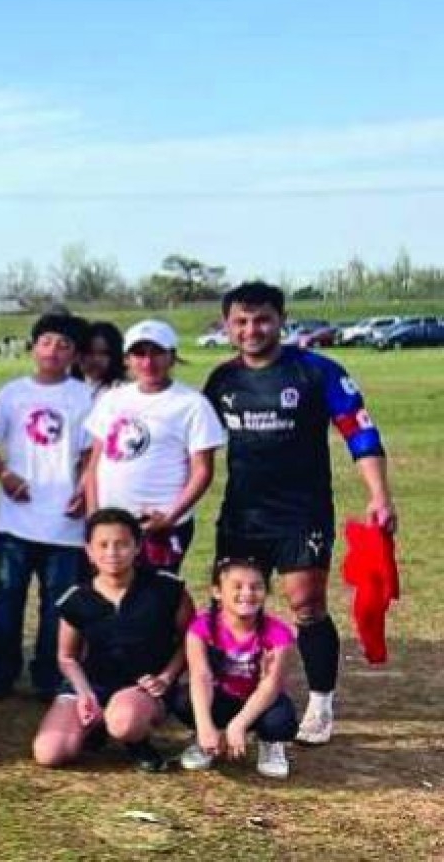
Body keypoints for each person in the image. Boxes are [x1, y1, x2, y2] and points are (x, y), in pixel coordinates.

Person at [205, 280, 395, 745]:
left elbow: (360, 433)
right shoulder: (221, 380)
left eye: (262, 319)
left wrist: (379, 494)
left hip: (301, 513)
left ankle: (321, 703)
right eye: (241, 322)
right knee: (231, 607)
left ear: (281, 321)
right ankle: (231, 697)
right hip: (242, 515)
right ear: (228, 327)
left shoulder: (318, 371)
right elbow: (191, 444)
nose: (252, 329)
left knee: (306, 606)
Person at [0, 314, 95, 699]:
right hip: (15, 519)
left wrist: (83, 489)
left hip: (64, 521)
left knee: (57, 605)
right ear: (34, 346)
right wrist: (4, 475)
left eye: (64, 345)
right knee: (6, 597)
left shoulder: (83, 397)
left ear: (75, 355)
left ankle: (48, 674)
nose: (53, 350)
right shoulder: (12, 393)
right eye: (46, 341)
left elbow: (89, 453)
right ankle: (0, 671)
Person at [32, 509, 192, 772]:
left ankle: (135, 739)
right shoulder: (76, 598)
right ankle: (96, 724)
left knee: (124, 722)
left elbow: (191, 639)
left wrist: (166, 677)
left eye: (122, 544)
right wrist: (84, 692)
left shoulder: (166, 588)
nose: (112, 553)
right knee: (49, 753)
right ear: (89, 551)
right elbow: (67, 656)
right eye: (103, 545)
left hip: (144, 686)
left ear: (137, 547)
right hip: (94, 683)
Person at [82, 320, 225, 575]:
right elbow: (94, 464)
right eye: (139, 354)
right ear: (127, 359)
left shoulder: (191, 404)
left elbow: (202, 471)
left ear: (172, 357)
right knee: (112, 596)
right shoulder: (112, 399)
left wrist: (170, 517)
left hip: (159, 523)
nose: (148, 362)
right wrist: (94, 519)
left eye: (157, 352)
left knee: (156, 601)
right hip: (113, 523)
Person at [177, 556, 298, 778]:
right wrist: (204, 725)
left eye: (256, 587)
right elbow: (200, 676)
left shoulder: (278, 633)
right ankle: (206, 739)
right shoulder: (201, 628)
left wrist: (238, 725)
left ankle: (270, 745)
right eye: (237, 586)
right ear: (217, 592)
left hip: (258, 699)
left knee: (281, 720)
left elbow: (271, 685)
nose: (247, 593)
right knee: (184, 701)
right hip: (221, 696)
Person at [76, 321, 127, 395]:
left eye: (104, 353)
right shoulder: (67, 388)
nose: (96, 359)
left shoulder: (122, 392)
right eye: (89, 352)